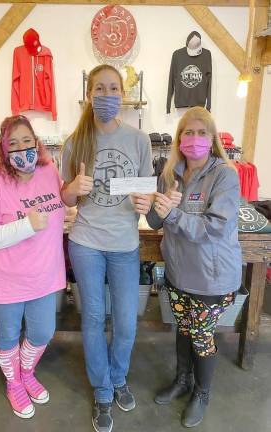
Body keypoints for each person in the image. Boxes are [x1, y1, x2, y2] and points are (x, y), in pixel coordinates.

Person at [61, 64, 153, 432]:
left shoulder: (139, 140)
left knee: (127, 322)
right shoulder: (75, 141)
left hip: (125, 243)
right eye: (100, 89)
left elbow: (146, 190)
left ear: (123, 94)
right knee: (94, 318)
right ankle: (102, 389)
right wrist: (73, 190)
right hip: (86, 242)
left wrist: (146, 202)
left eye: (113, 88)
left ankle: (118, 377)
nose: (107, 95)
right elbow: (63, 196)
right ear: (90, 93)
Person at [147, 106, 241, 428]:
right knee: (184, 330)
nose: (195, 138)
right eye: (189, 132)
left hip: (210, 279)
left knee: (202, 336)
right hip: (179, 273)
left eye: (202, 132)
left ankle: (202, 392)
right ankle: (182, 380)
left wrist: (172, 214)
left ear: (212, 139)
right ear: (179, 138)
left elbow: (215, 228)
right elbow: (156, 221)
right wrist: (150, 206)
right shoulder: (170, 172)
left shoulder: (224, 175)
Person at [0, 115, 66, 419]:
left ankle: (27, 372)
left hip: (42, 274)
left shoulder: (49, 171)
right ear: (2, 147)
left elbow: (62, 202)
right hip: (5, 278)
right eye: (12, 143)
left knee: (42, 331)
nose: (21, 149)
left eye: (27, 141)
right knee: (9, 334)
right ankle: (13, 382)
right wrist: (26, 225)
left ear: (36, 142)